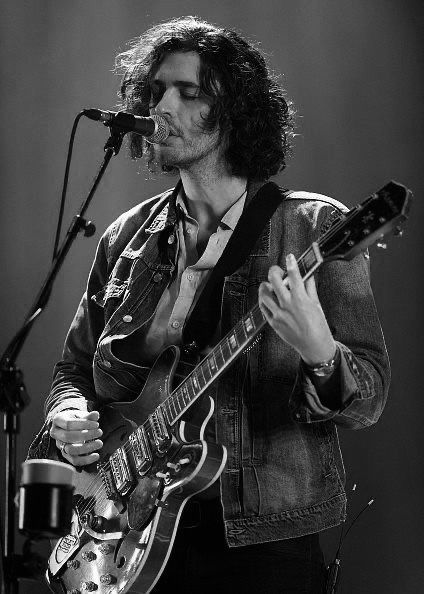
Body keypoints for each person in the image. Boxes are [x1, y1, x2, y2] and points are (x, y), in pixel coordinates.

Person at [28, 16, 390, 594]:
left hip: (265, 545)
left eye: (187, 92)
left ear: (235, 111)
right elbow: (73, 370)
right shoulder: (127, 237)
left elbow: (367, 396)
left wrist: (320, 352)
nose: (160, 108)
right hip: (137, 532)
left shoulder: (311, 227)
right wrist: (66, 415)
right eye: (154, 92)